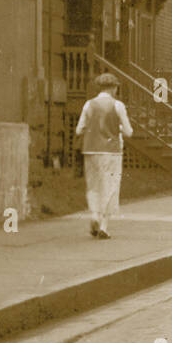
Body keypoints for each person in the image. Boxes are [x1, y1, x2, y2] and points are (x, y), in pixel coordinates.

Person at [75, 72, 134, 239]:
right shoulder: (118, 105)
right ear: (114, 88)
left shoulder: (88, 104)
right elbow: (129, 132)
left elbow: (79, 129)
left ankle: (94, 214)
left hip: (90, 149)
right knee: (110, 186)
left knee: (93, 186)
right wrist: (120, 129)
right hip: (111, 152)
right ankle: (104, 226)